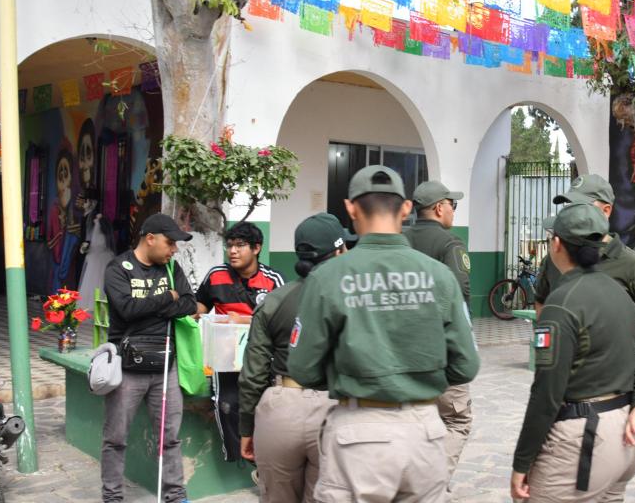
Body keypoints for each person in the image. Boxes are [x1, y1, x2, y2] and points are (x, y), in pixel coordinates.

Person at [287, 165, 480, 501]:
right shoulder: (440, 276)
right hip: (425, 433)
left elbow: (303, 368)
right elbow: (466, 365)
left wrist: (347, 376)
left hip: (357, 432)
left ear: (349, 207)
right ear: (405, 208)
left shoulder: (327, 277)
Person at [510, 203, 635, 501]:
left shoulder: (561, 303)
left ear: (557, 244)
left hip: (583, 439)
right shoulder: (619, 293)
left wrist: (522, 462)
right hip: (625, 437)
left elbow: (547, 393)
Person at [237, 213, 351, 503]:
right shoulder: (353, 299)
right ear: (338, 251)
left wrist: (247, 428)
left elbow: (253, 373)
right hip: (336, 409)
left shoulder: (275, 300)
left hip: (280, 409)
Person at [101, 213, 199, 503]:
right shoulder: (118, 268)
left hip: (166, 367)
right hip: (127, 368)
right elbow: (126, 310)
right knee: (116, 439)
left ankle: (175, 495)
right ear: (150, 238)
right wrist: (167, 299)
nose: (174, 250)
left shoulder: (171, 268)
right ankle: (112, 497)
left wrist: (162, 304)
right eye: (170, 243)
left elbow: (190, 303)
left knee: (170, 438)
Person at [535, 174, 635, 348]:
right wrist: (549, 345)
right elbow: (541, 300)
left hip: (612, 374)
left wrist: (632, 355)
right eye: (570, 206)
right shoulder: (556, 256)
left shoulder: (630, 264)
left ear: (606, 211)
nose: (573, 213)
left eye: (582, 206)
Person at [195, 221, 285, 462]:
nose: (233, 251)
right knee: (227, 404)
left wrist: (243, 321)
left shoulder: (273, 280)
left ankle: (267, 458)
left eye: (240, 246)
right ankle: (247, 461)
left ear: (257, 248)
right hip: (224, 357)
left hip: (263, 357)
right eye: (230, 245)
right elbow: (199, 307)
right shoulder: (216, 276)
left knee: (268, 407)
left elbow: (282, 320)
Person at [404, 180, 476, 480]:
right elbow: (459, 295)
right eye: (452, 205)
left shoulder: (400, 239)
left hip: (404, 348)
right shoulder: (451, 244)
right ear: (438, 208)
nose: (454, 211)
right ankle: (432, 484)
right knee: (456, 419)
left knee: (412, 419)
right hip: (442, 351)